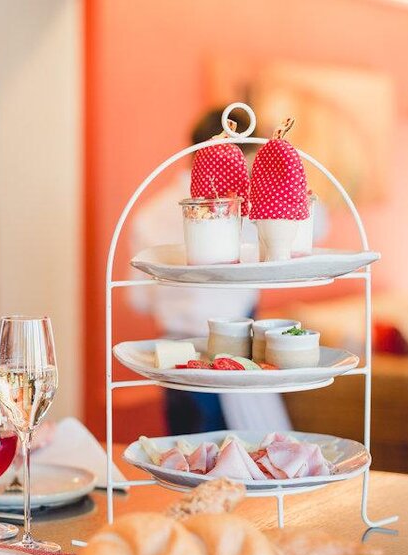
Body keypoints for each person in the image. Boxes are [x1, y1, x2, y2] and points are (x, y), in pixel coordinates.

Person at [129, 106, 300, 435]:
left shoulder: (148, 214)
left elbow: (138, 299)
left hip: (173, 353)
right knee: (236, 450)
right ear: (242, 156)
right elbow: (311, 228)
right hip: (234, 345)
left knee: (185, 451)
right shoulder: (239, 208)